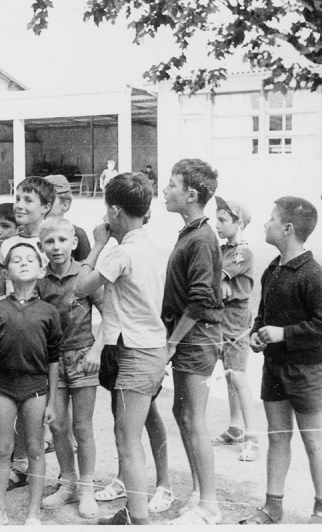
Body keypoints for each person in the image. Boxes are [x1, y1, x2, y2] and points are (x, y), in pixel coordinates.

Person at [76, 173, 171, 525]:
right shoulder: (156, 250)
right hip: (152, 349)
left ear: (115, 211)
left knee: (126, 438)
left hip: (135, 353)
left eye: (107, 212)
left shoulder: (121, 254)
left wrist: (98, 244)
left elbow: (82, 286)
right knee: (134, 431)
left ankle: (139, 518)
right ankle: (135, 511)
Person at [240, 197, 322, 525]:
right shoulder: (273, 268)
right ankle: (272, 506)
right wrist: (257, 334)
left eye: (271, 219)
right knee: (277, 436)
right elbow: (263, 314)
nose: (264, 224)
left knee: (313, 438)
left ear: (288, 228)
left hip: (307, 371)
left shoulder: (314, 275)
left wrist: (284, 334)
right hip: (274, 368)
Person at [161, 159, 224, 525]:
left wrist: (172, 342)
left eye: (172, 184)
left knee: (193, 418)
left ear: (191, 194)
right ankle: (200, 493)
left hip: (196, 340)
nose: (166, 190)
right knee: (181, 414)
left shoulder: (201, 238)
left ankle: (210, 506)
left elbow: (200, 300)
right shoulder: (191, 232)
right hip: (189, 338)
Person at [0, 242, 62, 526]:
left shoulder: (49, 312)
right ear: (6, 271)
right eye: (16, 260)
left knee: (35, 448)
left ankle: (32, 514)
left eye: (30, 259)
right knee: (3, 449)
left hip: (36, 388)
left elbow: (54, 359)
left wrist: (51, 400)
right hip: (2, 387)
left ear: (41, 270)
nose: (24, 263)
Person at [38, 217, 102, 520]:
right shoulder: (40, 280)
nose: (56, 247)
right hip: (53, 361)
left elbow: (111, 314)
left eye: (62, 240)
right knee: (58, 425)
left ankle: (87, 487)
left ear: (74, 243)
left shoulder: (85, 277)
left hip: (83, 357)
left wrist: (97, 349)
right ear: (42, 246)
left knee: (82, 426)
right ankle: (68, 483)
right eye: (49, 242)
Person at [211, 196, 260, 462]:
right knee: (229, 374)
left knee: (238, 376)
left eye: (223, 220)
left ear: (238, 223)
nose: (217, 224)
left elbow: (212, 279)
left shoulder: (243, 253)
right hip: (223, 319)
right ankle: (235, 428)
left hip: (236, 322)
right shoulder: (224, 251)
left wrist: (222, 286)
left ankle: (252, 436)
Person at [42, 174, 91, 261]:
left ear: (65, 205)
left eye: (48, 200)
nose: (42, 205)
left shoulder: (77, 234)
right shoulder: (34, 231)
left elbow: (86, 269)